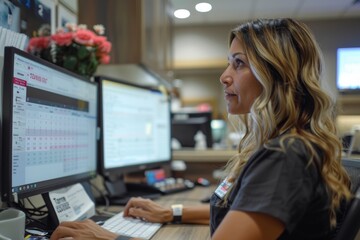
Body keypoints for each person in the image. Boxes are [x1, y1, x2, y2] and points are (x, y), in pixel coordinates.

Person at [50, 18, 352, 240]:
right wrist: (171, 212)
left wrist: (109, 238)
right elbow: (245, 210)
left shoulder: (285, 156)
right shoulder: (290, 144)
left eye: (239, 64)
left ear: (275, 73)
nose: (224, 76)